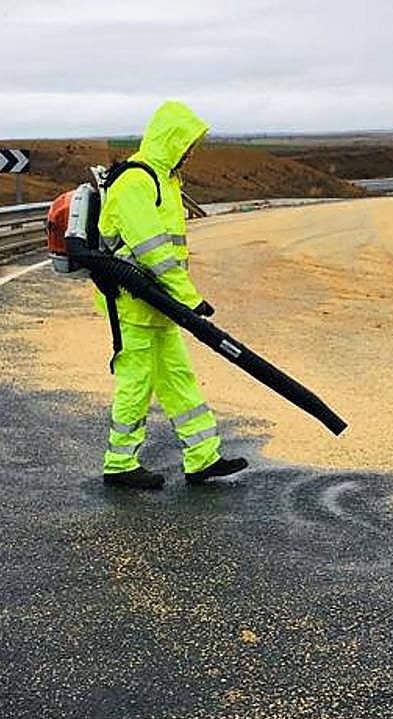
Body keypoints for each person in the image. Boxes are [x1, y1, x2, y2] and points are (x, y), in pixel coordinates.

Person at [96, 100, 247, 489]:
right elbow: (153, 251)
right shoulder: (136, 181)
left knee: (179, 378)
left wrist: (180, 299)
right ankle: (119, 463)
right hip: (133, 304)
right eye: (188, 143)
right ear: (171, 140)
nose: (191, 152)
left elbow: (167, 253)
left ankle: (202, 457)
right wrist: (189, 298)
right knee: (136, 381)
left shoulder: (165, 180)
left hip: (158, 304)